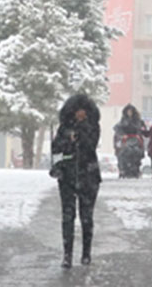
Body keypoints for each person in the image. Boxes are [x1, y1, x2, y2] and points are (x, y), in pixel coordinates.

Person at [50, 93, 101, 268]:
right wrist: (68, 141)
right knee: (67, 216)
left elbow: (90, 145)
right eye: (78, 111)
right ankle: (67, 255)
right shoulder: (63, 128)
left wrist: (80, 133)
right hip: (67, 175)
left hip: (89, 175)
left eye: (84, 111)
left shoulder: (93, 127)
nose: (81, 114)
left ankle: (86, 253)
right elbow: (56, 148)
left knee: (86, 216)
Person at [112, 104, 147, 178]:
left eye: (131, 111)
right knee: (124, 152)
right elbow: (118, 129)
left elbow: (142, 129)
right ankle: (124, 170)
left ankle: (135, 169)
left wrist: (138, 134)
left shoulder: (138, 121)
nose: (129, 113)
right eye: (128, 111)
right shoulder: (122, 121)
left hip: (136, 141)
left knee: (136, 152)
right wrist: (123, 135)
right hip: (126, 140)